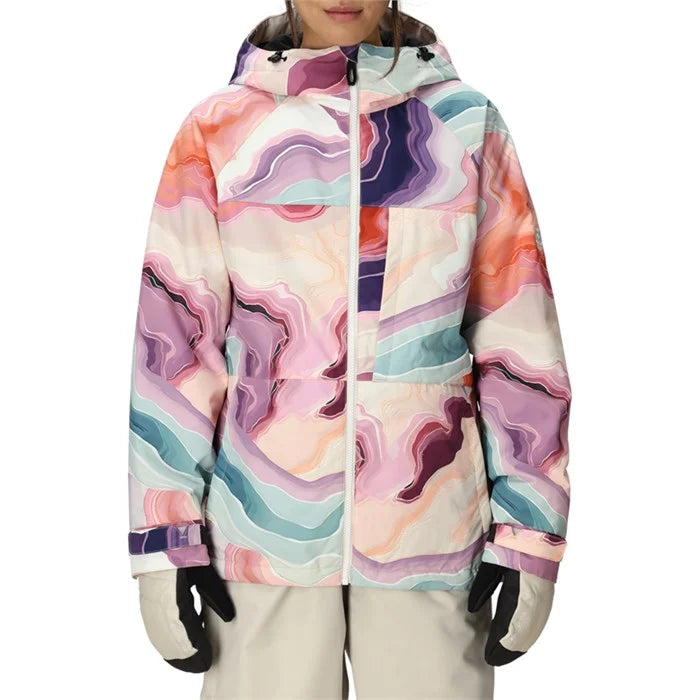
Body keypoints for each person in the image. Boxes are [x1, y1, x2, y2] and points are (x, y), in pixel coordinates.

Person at [127, 1, 572, 698]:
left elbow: (519, 340)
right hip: (260, 533)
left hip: (428, 533)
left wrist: (530, 535)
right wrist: (163, 540)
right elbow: (175, 350)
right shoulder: (219, 129)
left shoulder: (465, 123)